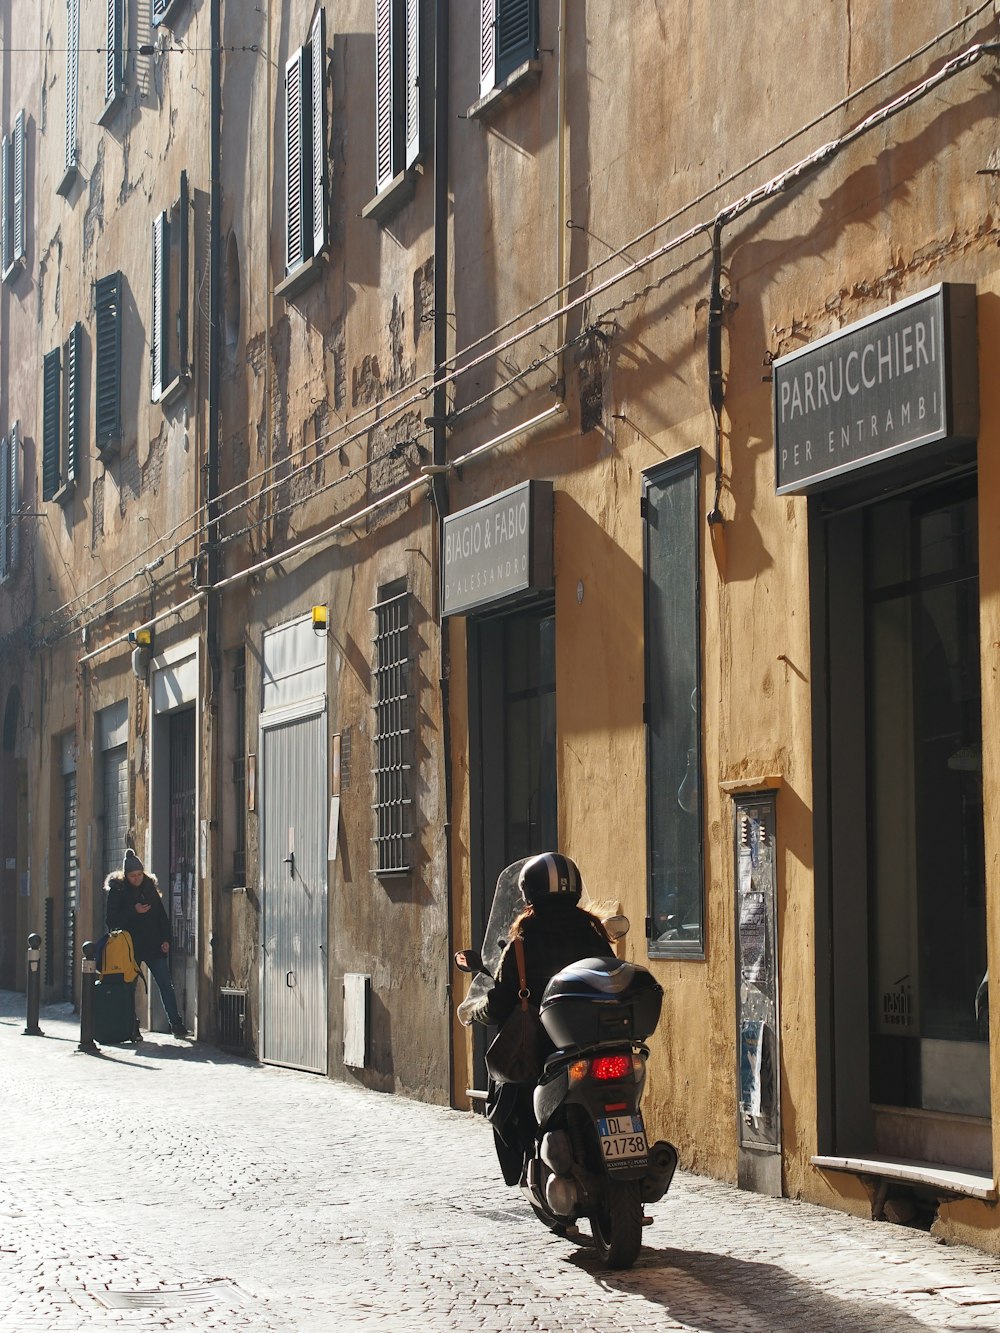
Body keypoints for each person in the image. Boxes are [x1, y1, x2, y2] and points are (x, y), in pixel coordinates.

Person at [462, 852, 615, 1182]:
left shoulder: (522, 943)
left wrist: (478, 1010)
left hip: (545, 1049)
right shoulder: (594, 934)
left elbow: (502, 1003)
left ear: (529, 894)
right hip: (594, 1040)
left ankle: (525, 1158)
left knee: (507, 1091)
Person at [105, 850, 189, 1038]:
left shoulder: (149, 887)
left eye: (139, 875)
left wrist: (166, 939)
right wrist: (133, 910)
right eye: (133, 876)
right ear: (126, 876)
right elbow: (111, 921)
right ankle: (131, 1027)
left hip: (153, 945)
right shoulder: (118, 891)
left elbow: (162, 917)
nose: (137, 879)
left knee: (165, 984)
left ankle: (176, 1024)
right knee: (129, 988)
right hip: (129, 949)